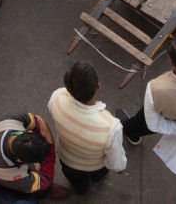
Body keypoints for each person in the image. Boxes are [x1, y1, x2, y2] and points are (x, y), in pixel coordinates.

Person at [47, 61, 125, 194]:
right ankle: (96, 182)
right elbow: (116, 163)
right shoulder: (111, 127)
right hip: (94, 166)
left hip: (66, 160)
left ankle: (81, 191)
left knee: (79, 185)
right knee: (98, 177)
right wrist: (120, 168)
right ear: (98, 86)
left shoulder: (57, 97)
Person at [0, 110, 69, 201]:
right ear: (20, 160)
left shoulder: (11, 118)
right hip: (6, 179)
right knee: (41, 189)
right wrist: (51, 150)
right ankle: (47, 193)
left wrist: (48, 140)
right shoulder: (13, 178)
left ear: (28, 133)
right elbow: (44, 181)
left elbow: (39, 121)